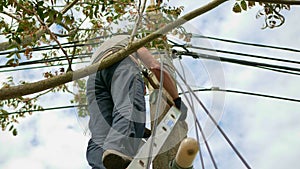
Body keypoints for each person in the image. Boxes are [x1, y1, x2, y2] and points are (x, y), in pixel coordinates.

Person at [86, 35, 186, 169]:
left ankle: (100, 165)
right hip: (121, 63)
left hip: (93, 78)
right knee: (128, 107)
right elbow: (155, 67)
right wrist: (176, 99)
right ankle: (119, 149)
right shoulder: (131, 41)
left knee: (100, 131)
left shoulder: (103, 49)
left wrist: (140, 130)